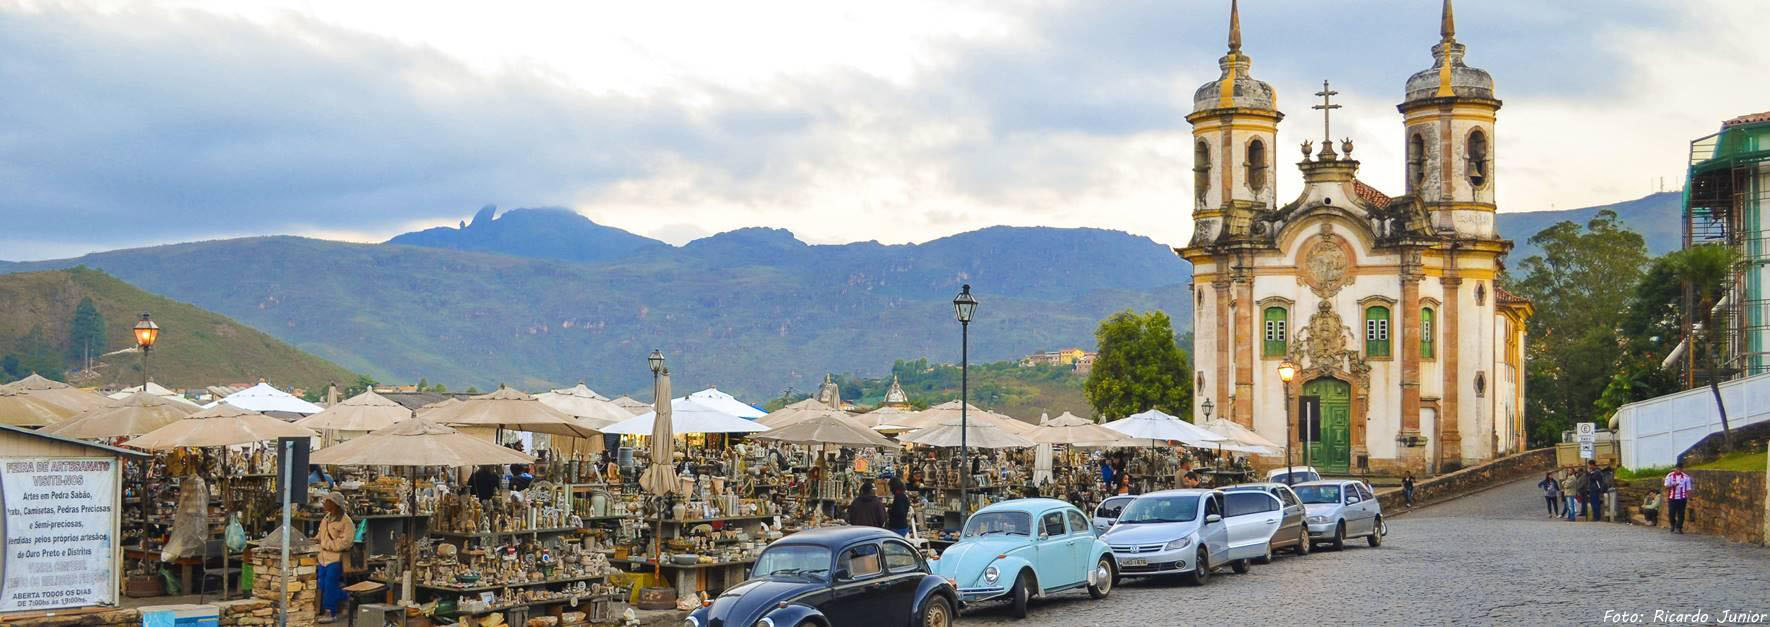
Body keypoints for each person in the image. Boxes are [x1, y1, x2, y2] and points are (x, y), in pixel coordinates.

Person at [316, 492, 354, 624]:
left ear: (335, 505)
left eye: (328, 502)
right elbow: (320, 535)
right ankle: (346, 597)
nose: (325, 504)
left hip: (335, 558)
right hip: (323, 558)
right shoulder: (326, 518)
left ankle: (330, 611)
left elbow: (346, 542)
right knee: (322, 584)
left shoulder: (346, 522)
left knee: (330, 584)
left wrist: (328, 545)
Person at [1664, 461, 1692, 534]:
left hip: (1682, 498)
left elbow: (1688, 489)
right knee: (1671, 513)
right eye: (1677, 469)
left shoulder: (1686, 477)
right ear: (1675, 469)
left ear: (1682, 469)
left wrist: (1689, 497)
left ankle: (1679, 527)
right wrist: (1673, 485)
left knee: (1681, 513)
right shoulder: (1669, 476)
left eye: (1680, 469)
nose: (1678, 470)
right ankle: (1673, 525)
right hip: (1672, 498)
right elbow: (1666, 486)